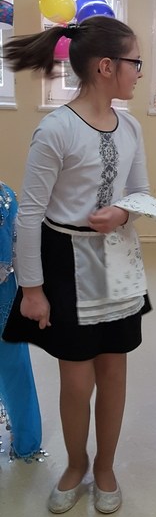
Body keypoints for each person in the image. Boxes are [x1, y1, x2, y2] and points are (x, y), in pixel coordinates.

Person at [2, 16, 151, 514]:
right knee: (76, 381)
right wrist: (32, 289)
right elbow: (29, 213)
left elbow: (141, 193)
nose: (139, 72)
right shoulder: (56, 129)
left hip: (117, 262)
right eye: (135, 62)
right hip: (65, 261)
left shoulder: (131, 126)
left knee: (113, 372)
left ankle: (105, 466)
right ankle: (76, 463)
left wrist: (124, 212)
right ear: (106, 66)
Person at [0, 181, 42, 460]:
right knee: (15, 366)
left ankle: (26, 440)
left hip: (4, 299)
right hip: (5, 298)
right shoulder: (5, 197)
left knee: (14, 364)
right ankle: (26, 441)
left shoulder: (4, 197)